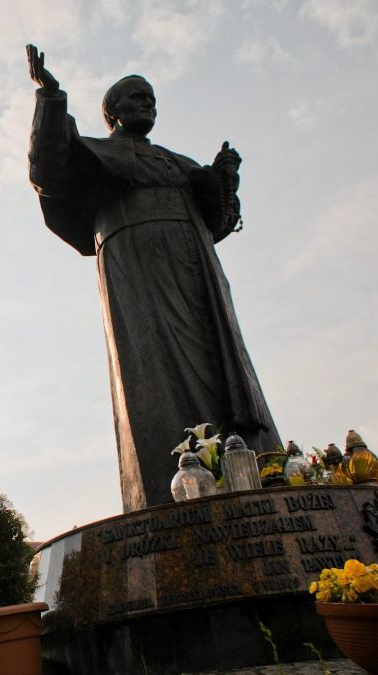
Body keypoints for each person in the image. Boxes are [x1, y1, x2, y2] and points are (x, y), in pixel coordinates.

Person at [26, 45, 280, 510]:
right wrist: (52, 96)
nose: (148, 105)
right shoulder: (98, 153)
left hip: (196, 268)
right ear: (113, 112)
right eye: (138, 97)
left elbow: (217, 223)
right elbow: (49, 170)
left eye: (153, 99)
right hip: (137, 267)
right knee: (155, 366)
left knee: (223, 363)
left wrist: (223, 180)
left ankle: (255, 469)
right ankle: (178, 475)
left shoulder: (176, 162)